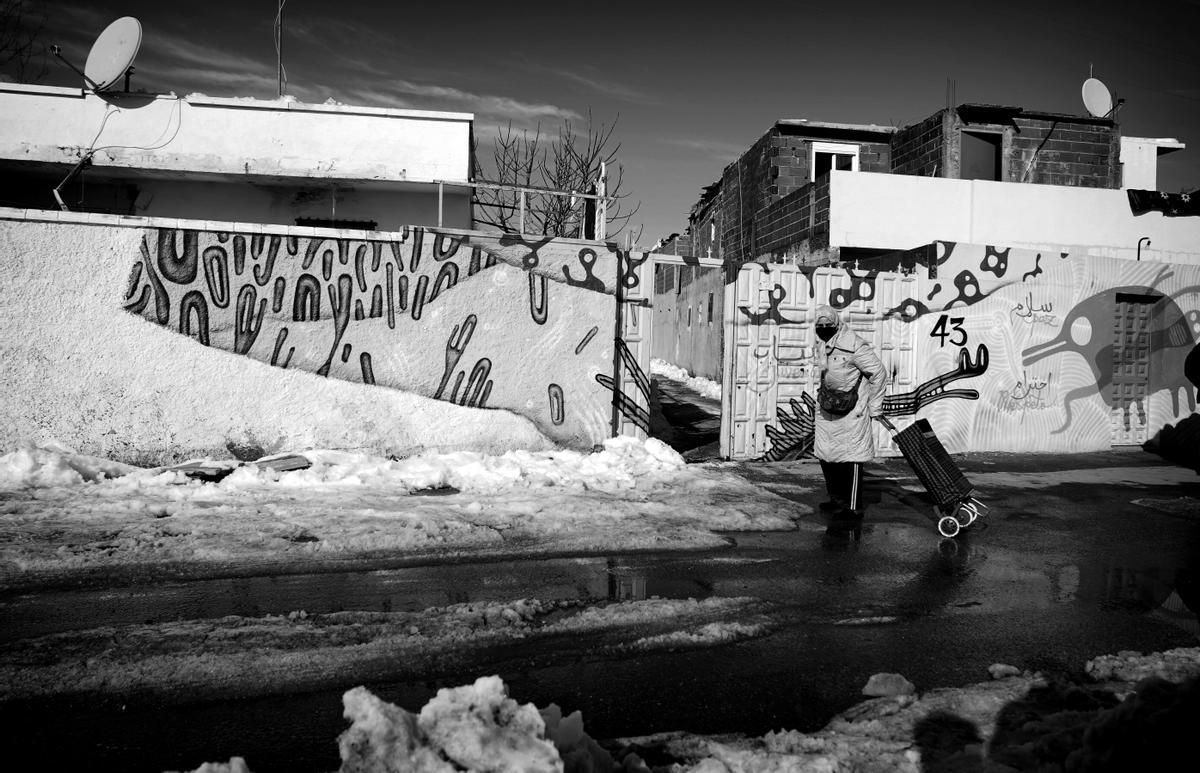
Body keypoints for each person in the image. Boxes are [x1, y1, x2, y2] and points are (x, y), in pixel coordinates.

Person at [812, 304, 887, 519]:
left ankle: (853, 506)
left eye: (828, 324)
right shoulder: (823, 344)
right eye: (820, 325)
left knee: (851, 458)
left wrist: (875, 405)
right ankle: (836, 499)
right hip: (829, 408)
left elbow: (879, 373)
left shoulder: (855, 346)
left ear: (836, 324)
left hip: (852, 411)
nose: (823, 327)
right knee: (827, 456)